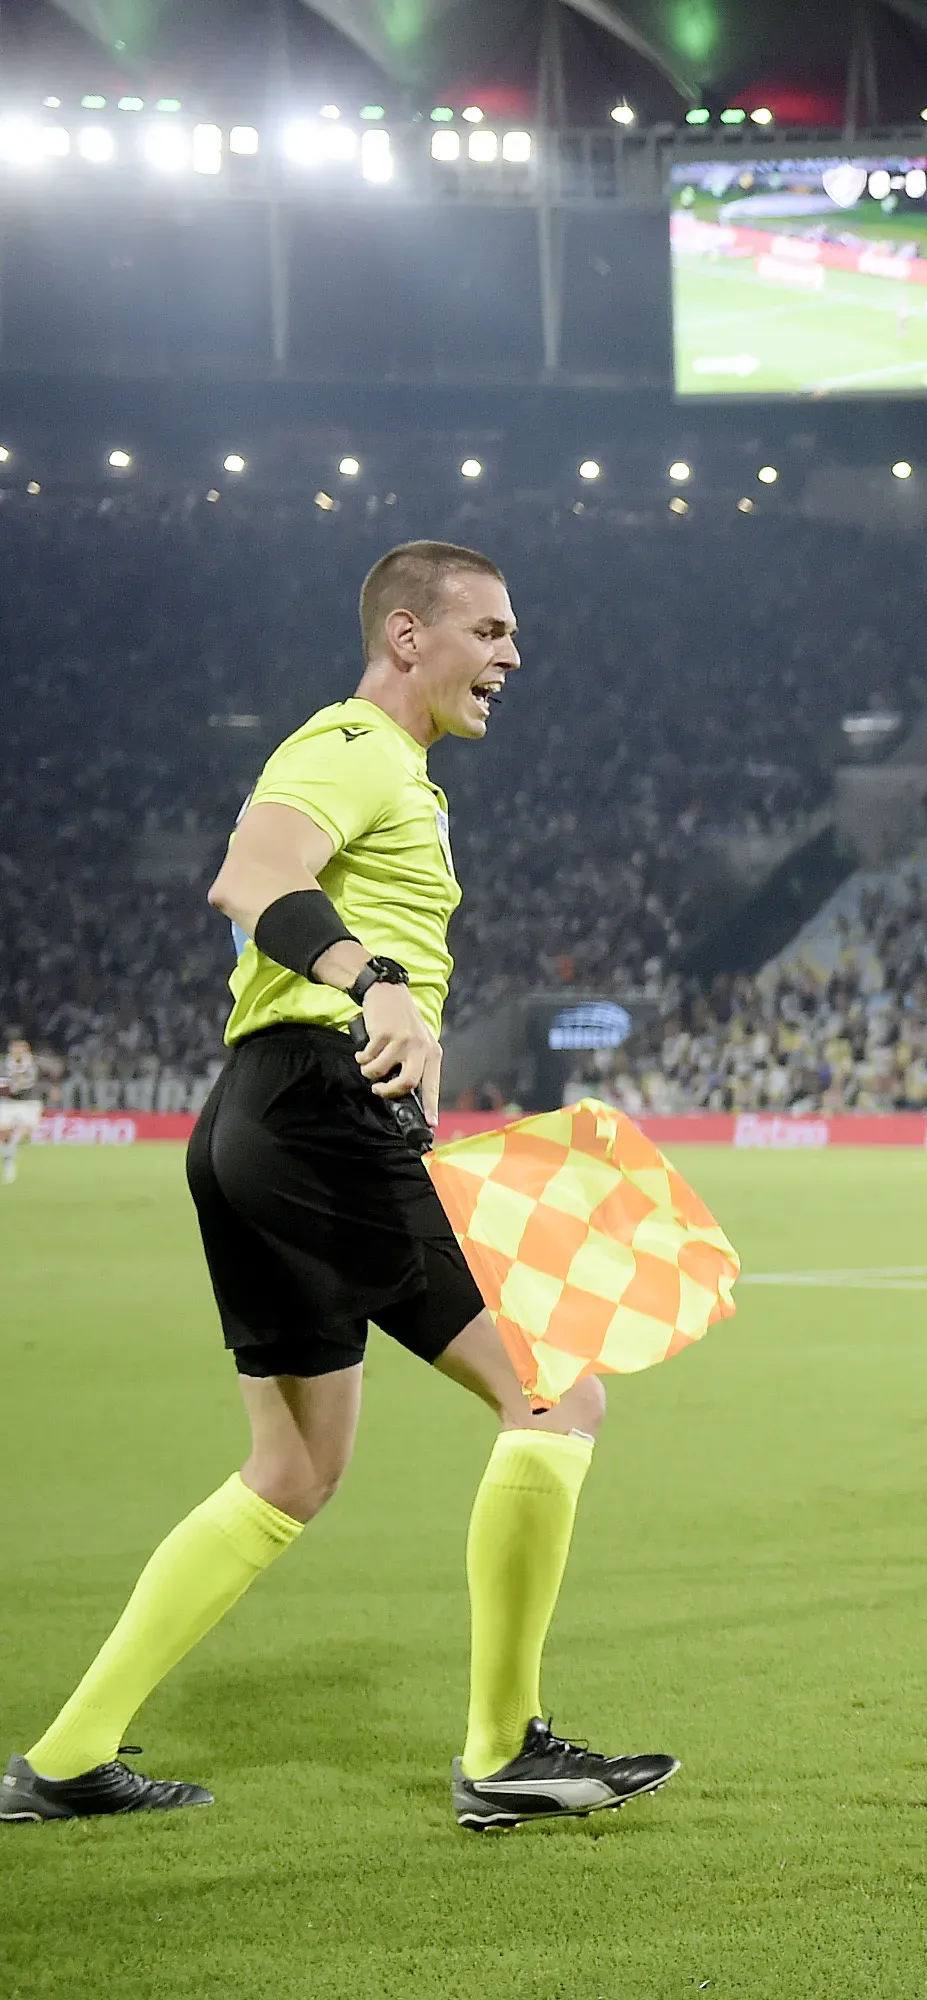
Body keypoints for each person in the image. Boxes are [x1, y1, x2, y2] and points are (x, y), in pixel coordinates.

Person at [3, 542, 676, 1831]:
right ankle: (505, 1749)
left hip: (257, 1116)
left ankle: (69, 1755)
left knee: (295, 1465)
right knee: (557, 1390)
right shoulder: (354, 742)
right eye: (491, 629)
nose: (514, 653)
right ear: (408, 634)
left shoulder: (403, 777)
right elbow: (252, 876)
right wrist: (373, 982)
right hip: (316, 1107)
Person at [0, 1036, 37, 1184]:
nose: (18, 1051)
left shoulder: (32, 1065)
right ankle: (9, 1161)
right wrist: (11, 1085)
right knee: (4, 1134)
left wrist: (15, 1084)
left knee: (26, 1133)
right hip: (8, 1102)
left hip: (27, 1103)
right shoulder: (4, 1064)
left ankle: (11, 1150)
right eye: (15, 1048)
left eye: (21, 1048)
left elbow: (29, 1083)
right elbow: (4, 1084)